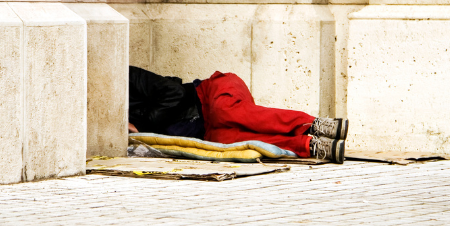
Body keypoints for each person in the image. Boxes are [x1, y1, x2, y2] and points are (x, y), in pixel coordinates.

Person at [128, 66, 349, 163]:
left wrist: (143, 123)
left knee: (225, 112)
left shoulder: (126, 76)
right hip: (207, 130)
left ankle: (313, 124)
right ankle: (311, 146)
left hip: (210, 95)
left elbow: (174, 93)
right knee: (229, 140)